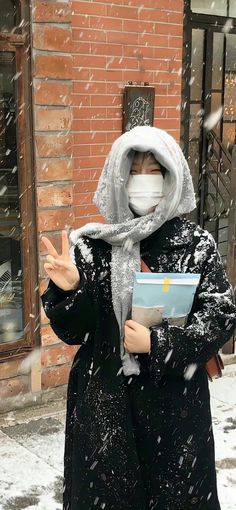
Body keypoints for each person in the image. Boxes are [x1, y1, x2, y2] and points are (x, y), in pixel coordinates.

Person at [41, 126, 236, 510]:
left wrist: (159, 344)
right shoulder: (92, 246)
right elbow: (75, 331)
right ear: (118, 176)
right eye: (133, 170)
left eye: (154, 170)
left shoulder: (195, 244)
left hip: (174, 409)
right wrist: (70, 290)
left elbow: (220, 316)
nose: (143, 180)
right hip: (105, 409)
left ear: (171, 176)